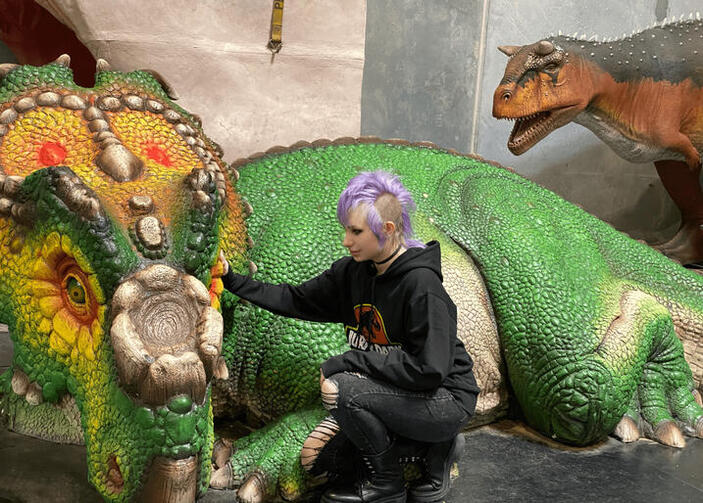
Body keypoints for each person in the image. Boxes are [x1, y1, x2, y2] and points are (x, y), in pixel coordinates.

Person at [221, 171, 479, 503]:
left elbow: (430, 370)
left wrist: (351, 360)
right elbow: (295, 299)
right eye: (346, 229)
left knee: (342, 388)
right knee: (325, 455)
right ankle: (435, 449)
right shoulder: (353, 273)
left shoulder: (422, 287)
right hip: (405, 391)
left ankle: (387, 483)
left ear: (387, 229)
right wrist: (232, 280)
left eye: (356, 231)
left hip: (445, 399)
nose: (346, 240)